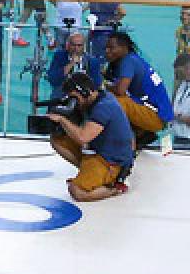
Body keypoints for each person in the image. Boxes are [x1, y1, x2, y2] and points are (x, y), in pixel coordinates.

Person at [46, 73, 134, 202]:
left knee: (77, 191)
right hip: (98, 152)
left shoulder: (104, 107)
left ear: (85, 92)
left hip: (111, 162)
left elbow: (83, 137)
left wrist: (62, 119)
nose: (73, 102)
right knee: (57, 139)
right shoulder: (98, 98)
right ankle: (88, 173)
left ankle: (115, 187)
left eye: (74, 98)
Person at [103, 31, 173, 146]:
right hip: (158, 115)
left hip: (156, 117)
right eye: (106, 48)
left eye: (111, 48)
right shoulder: (133, 59)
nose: (107, 51)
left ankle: (125, 144)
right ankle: (140, 133)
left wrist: (104, 85)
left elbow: (120, 90)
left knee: (116, 101)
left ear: (124, 47)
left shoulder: (128, 61)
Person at [46, 29, 103, 93]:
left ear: (84, 46)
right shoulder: (59, 56)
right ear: (67, 46)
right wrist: (70, 64)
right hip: (62, 94)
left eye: (79, 45)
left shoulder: (92, 61)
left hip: (84, 96)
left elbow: (97, 84)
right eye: (73, 45)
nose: (76, 48)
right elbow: (52, 79)